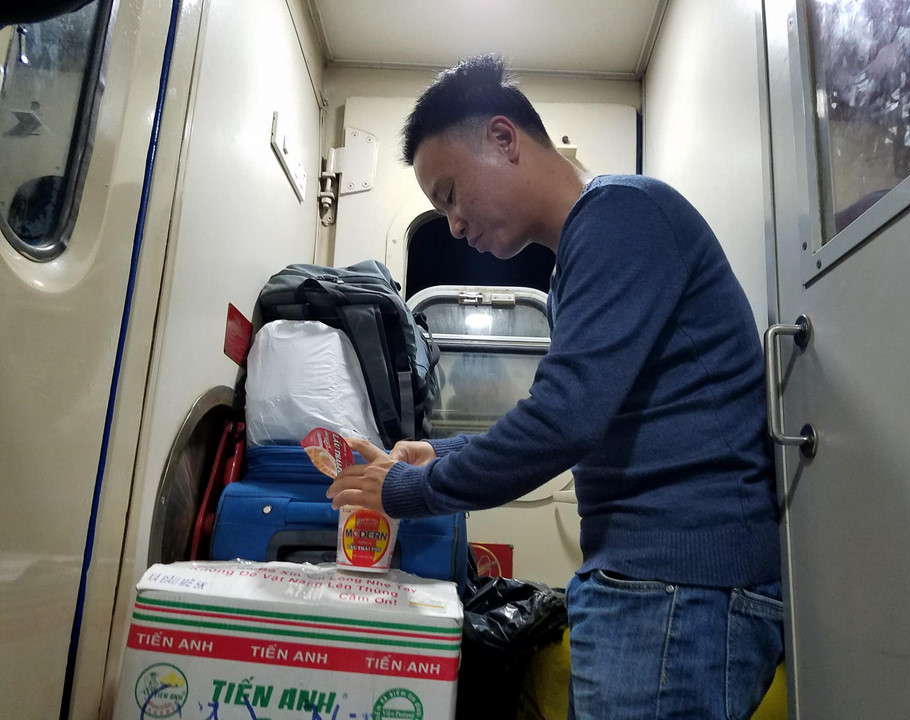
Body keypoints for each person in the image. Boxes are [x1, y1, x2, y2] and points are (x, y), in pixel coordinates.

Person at [327, 54, 784, 720]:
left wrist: (408, 490)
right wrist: (437, 456)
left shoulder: (621, 214)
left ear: (503, 139)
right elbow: (574, 418)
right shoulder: (581, 260)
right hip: (657, 584)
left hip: (680, 586)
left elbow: (563, 420)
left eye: (450, 194)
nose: (453, 225)